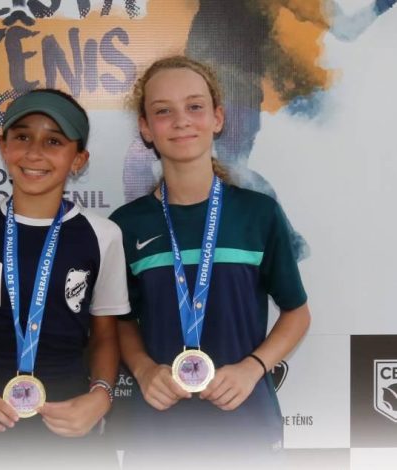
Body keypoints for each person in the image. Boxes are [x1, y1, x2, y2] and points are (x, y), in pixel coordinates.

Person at [109, 56, 311, 468]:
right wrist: (144, 370)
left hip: (246, 424)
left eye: (195, 106)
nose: (181, 120)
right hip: (158, 428)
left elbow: (297, 313)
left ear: (217, 118)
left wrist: (253, 368)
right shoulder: (127, 224)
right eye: (163, 111)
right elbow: (121, 321)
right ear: (146, 128)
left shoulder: (258, 213)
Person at [0, 89, 130, 469]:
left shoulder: (103, 235)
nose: (34, 153)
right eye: (22, 137)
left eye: (54, 141)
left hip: (71, 420)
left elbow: (106, 336)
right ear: (3, 146)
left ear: (78, 159)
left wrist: (101, 395)